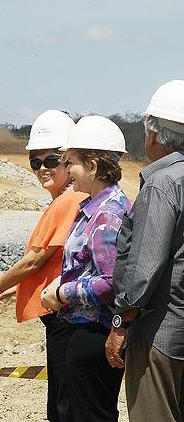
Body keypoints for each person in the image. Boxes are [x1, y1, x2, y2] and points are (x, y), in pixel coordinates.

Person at [0, 109, 86, 421]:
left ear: (69, 159)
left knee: (64, 407)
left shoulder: (69, 200)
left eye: (50, 161)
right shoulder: (73, 197)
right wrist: (5, 293)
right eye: (35, 162)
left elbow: (34, 260)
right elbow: (56, 264)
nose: (42, 169)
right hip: (67, 313)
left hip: (65, 317)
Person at [41, 115, 131, 422]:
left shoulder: (106, 215)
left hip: (94, 332)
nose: (66, 171)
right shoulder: (94, 207)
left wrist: (63, 292)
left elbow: (109, 283)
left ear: (92, 167)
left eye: (71, 162)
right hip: (86, 330)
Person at [105, 80, 184, 422]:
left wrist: (121, 322)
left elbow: (144, 267)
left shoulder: (163, 183)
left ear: (154, 135)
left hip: (160, 337)